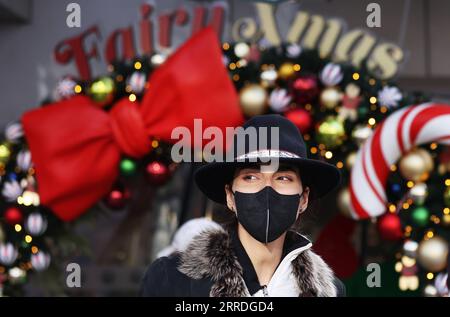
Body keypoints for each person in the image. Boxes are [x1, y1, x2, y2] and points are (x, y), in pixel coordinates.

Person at [140, 114, 345, 297]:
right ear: (230, 196)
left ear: (303, 199)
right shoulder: (172, 280)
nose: (267, 189)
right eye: (251, 177)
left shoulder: (329, 291)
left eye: (283, 178)